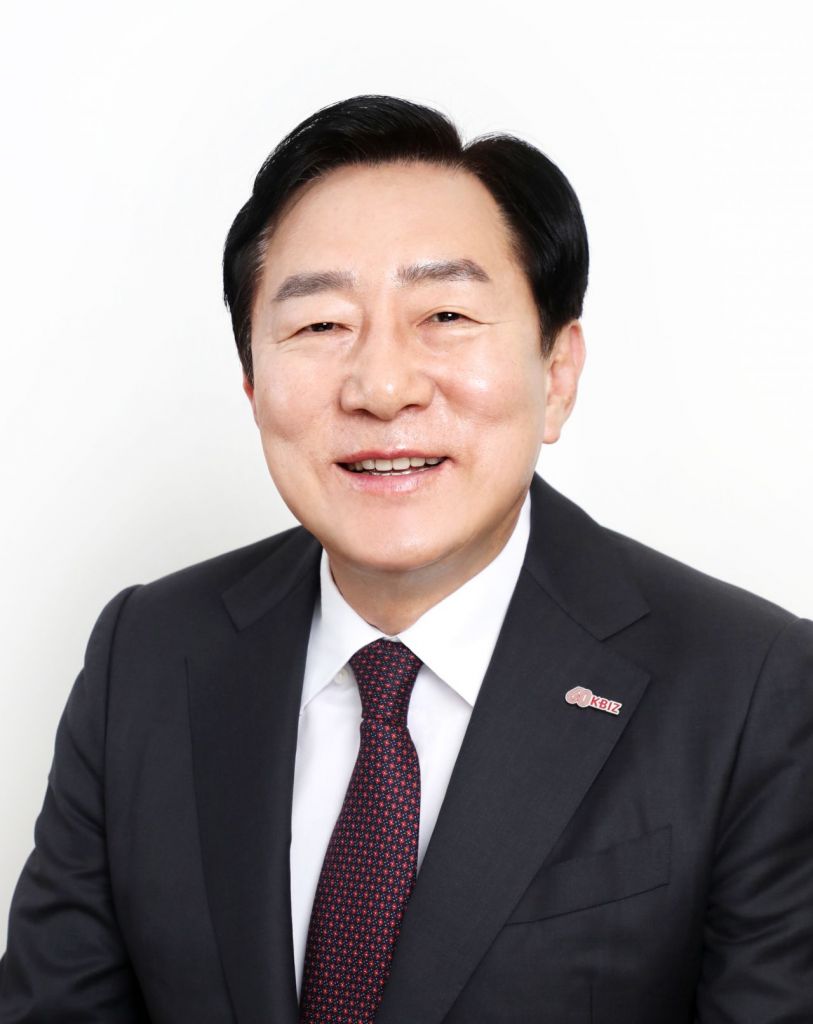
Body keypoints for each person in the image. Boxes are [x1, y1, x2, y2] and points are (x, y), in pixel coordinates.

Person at [1, 94, 811, 1024]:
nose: (381, 388)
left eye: (446, 314)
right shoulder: (145, 653)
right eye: (319, 326)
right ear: (252, 382)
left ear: (556, 374)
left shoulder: (750, 689)